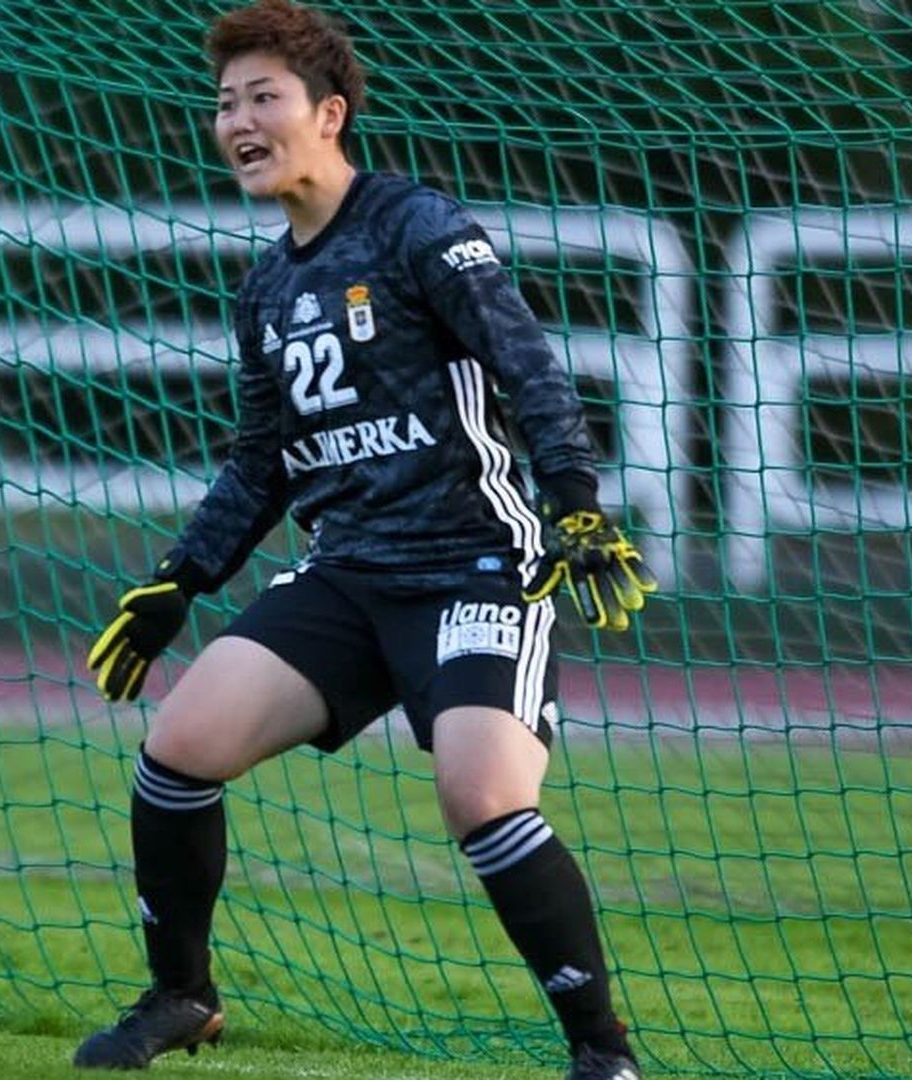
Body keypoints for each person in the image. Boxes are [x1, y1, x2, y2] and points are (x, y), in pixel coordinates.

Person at [71, 2, 656, 1077]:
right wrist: (178, 582)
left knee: (480, 797)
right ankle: (182, 996)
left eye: (262, 98)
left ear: (329, 113)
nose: (237, 120)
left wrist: (574, 497)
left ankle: (601, 1054)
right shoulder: (265, 290)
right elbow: (262, 462)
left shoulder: (417, 226)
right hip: (348, 574)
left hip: (474, 567)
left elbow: (529, 367)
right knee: (178, 750)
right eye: (223, 102)